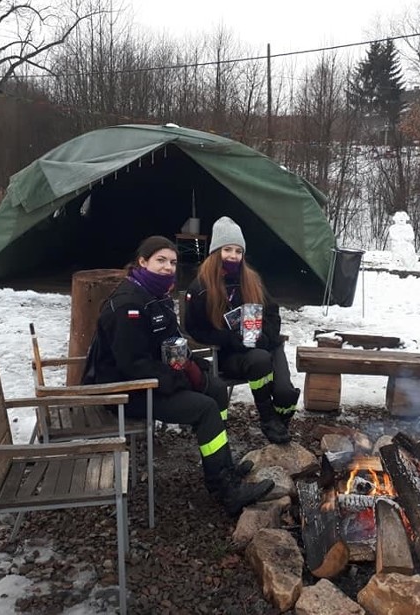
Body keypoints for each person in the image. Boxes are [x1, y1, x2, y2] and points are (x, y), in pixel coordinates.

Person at [81, 235, 273, 516]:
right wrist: (182, 379)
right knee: (205, 408)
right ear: (142, 262)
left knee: (216, 389)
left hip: (153, 379)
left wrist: (197, 366)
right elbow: (133, 365)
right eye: (160, 260)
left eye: (172, 262)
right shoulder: (128, 305)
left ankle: (223, 465)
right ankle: (225, 490)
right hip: (126, 391)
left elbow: (174, 342)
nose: (168, 267)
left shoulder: (156, 297)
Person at [184, 216, 300, 445]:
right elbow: (194, 329)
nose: (233, 256)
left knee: (286, 393)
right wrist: (227, 338)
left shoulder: (252, 280)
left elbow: (272, 313)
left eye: (238, 251)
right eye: (227, 249)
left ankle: (281, 422)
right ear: (216, 251)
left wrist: (265, 335)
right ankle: (267, 419)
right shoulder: (201, 286)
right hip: (233, 353)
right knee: (258, 359)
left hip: (265, 344)